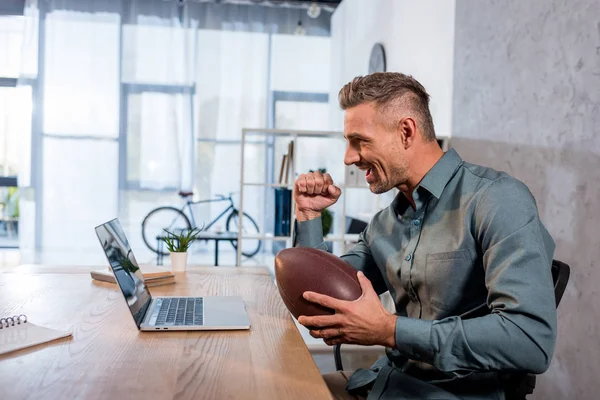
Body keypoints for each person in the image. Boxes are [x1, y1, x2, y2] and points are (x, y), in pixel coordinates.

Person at [293, 72, 557, 400]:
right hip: (386, 383)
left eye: (359, 140)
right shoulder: (384, 224)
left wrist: (390, 330)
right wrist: (308, 214)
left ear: (406, 131)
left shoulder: (497, 199)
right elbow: (320, 300)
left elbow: (530, 340)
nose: (349, 157)